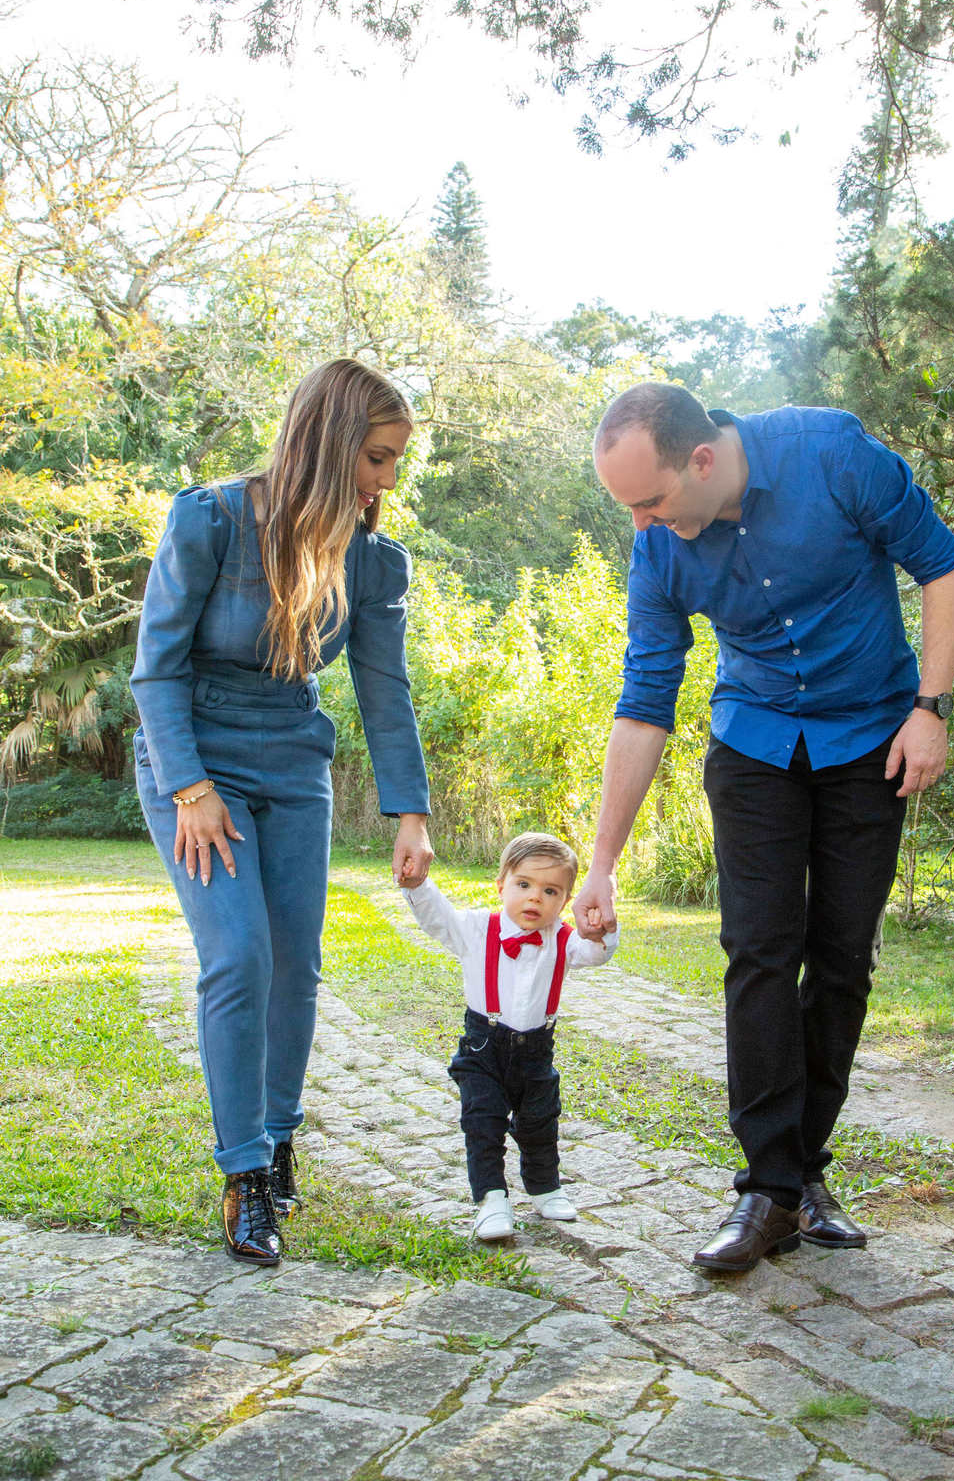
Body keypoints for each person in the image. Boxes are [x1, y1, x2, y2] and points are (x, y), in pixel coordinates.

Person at [574, 383, 954, 1274]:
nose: (640, 523)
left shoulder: (834, 456)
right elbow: (643, 705)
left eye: (651, 500)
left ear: (703, 461)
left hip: (873, 738)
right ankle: (767, 1189)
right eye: (627, 506)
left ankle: (803, 1177)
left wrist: (930, 709)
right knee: (758, 951)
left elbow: (942, 566)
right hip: (754, 746)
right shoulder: (659, 552)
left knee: (840, 961)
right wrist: (601, 864)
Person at [131, 357, 432, 1268]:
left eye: (395, 462)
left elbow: (385, 691)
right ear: (331, 441)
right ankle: (244, 1176)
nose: (387, 481)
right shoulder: (210, 518)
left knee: (296, 964)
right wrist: (191, 788)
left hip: (294, 757)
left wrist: (409, 813)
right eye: (376, 458)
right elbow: (155, 668)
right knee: (239, 955)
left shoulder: (373, 562)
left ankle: (278, 1133)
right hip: (193, 758)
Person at [399, 832, 618, 1241]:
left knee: (540, 1122)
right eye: (524, 885)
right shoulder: (477, 929)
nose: (535, 898)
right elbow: (437, 918)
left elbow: (597, 954)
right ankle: (491, 1199)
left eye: (550, 891)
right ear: (501, 885)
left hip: (536, 1051)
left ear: (566, 899)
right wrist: (418, 886)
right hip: (484, 1047)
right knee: (483, 1122)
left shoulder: (564, 939)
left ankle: (544, 1187)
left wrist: (599, 929)